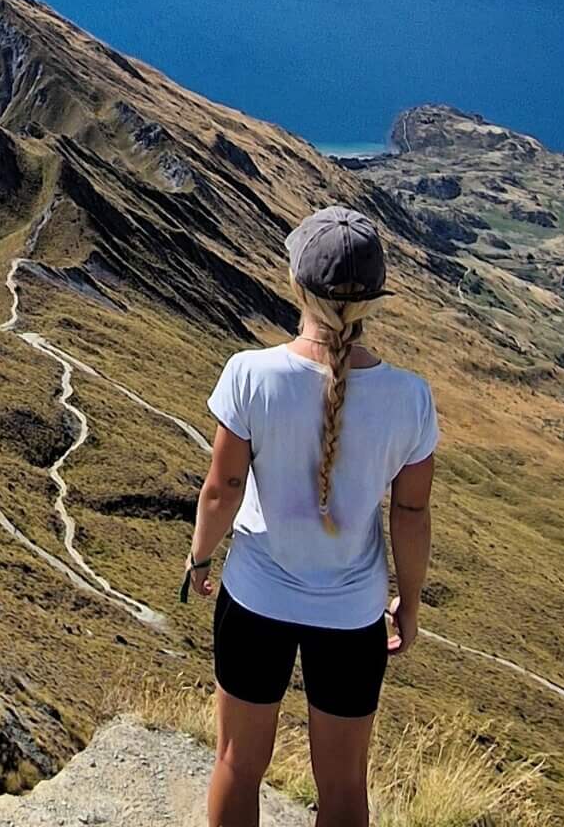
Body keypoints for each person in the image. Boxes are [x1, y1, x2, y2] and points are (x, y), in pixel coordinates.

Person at [183, 207, 437, 827]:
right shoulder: (411, 397)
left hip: (255, 599)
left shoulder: (250, 374)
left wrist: (198, 558)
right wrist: (409, 598)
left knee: (239, 765)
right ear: (375, 298)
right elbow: (411, 511)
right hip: (352, 614)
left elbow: (223, 489)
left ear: (297, 286)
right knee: (346, 788)